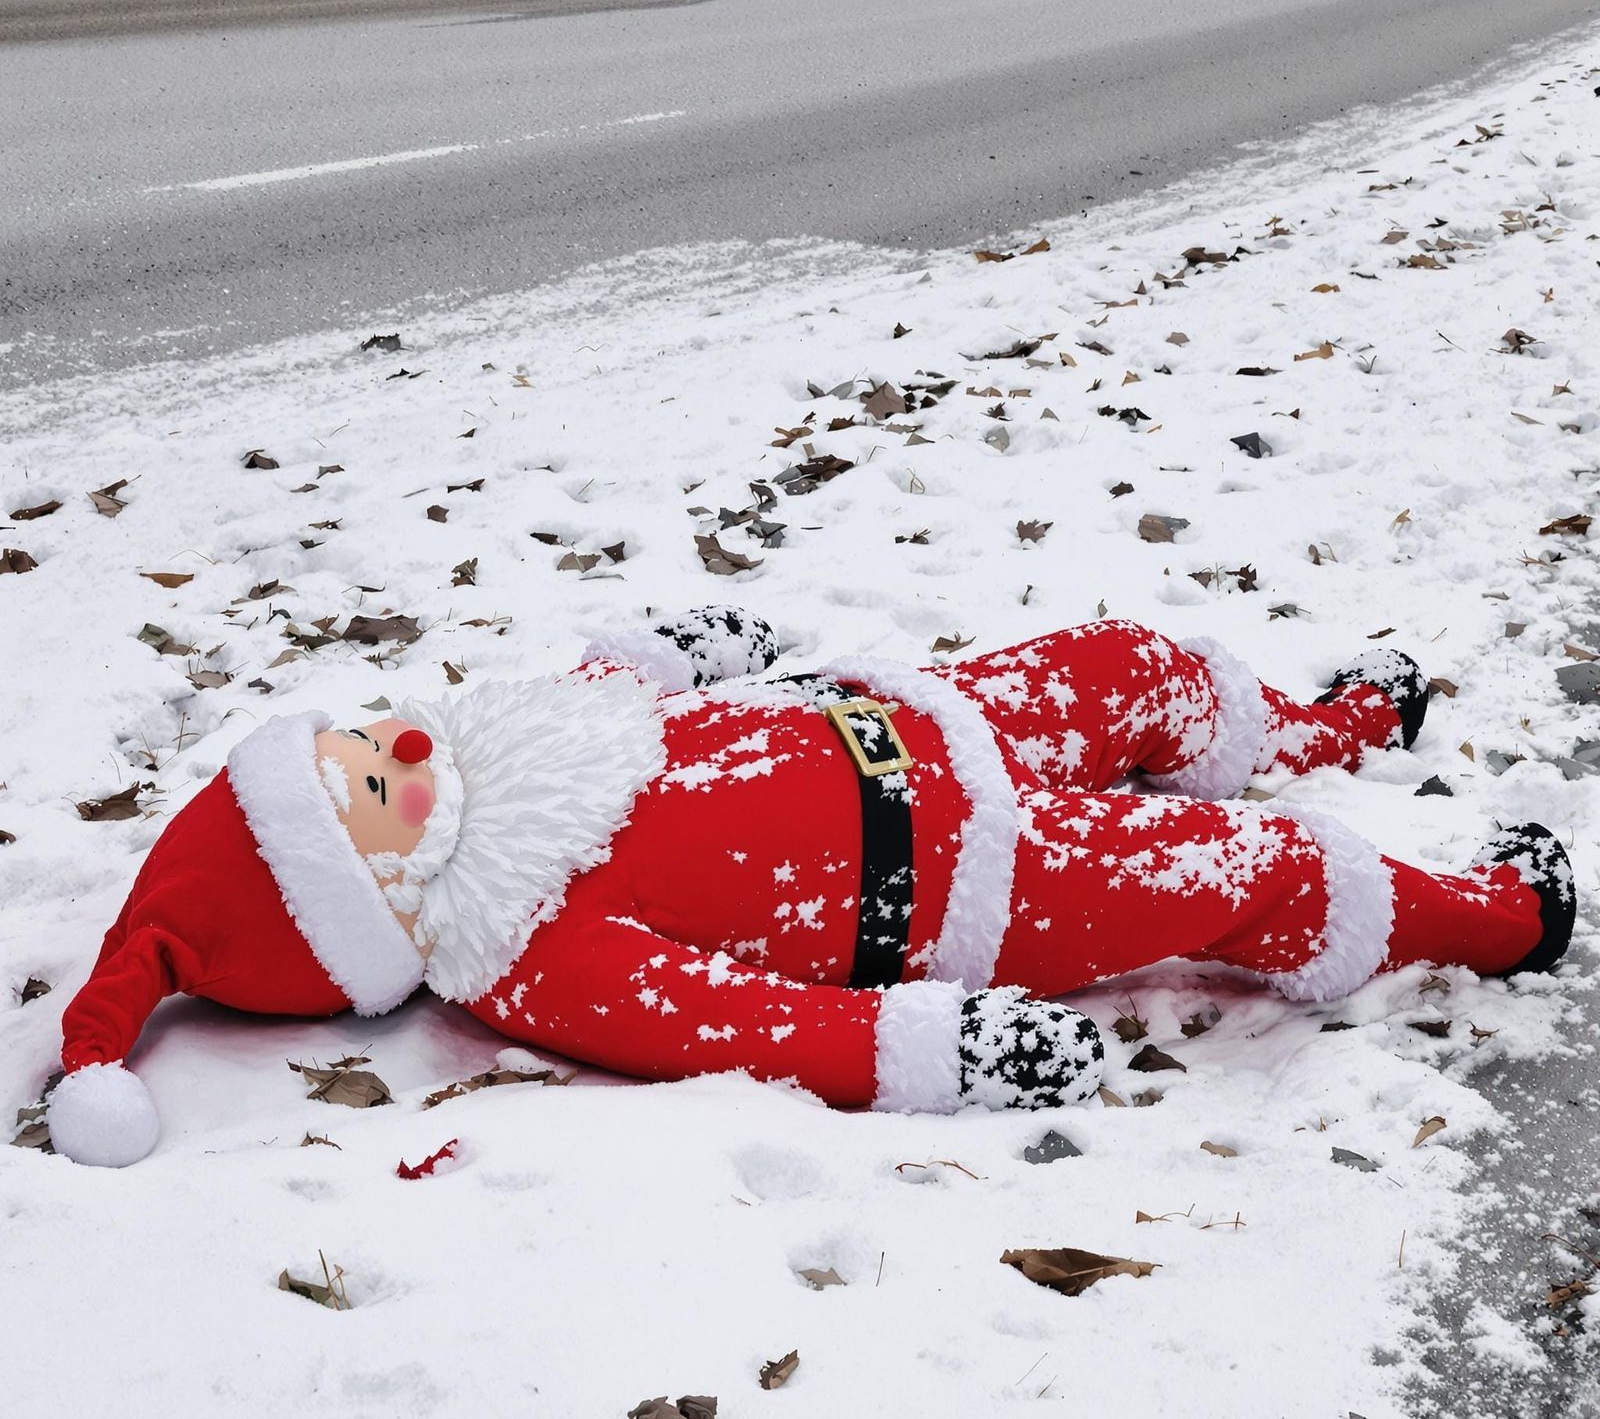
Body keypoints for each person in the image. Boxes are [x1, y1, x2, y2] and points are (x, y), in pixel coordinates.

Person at [45, 608, 1575, 1167]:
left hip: (931, 715)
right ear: (374, 903)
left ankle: (1328, 726)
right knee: (1246, 872)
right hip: (976, 874)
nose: (400, 740)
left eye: (360, 738)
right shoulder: (526, 947)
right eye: (372, 782)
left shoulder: (510, 755)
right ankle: (1495, 919)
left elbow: (608, 688)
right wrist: (940, 1050)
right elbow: (740, 1025)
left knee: (1138, 667)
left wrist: (671, 654)